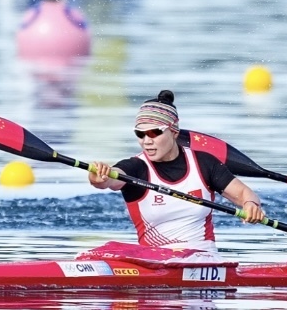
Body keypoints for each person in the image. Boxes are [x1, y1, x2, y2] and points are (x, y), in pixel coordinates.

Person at [88, 90, 265, 254]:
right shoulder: (135, 168)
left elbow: (244, 193)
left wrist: (251, 205)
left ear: (174, 132)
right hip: (155, 261)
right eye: (140, 134)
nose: (146, 141)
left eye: (154, 133)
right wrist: (98, 177)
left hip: (203, 258)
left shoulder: (204, 163)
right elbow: (109, 180)